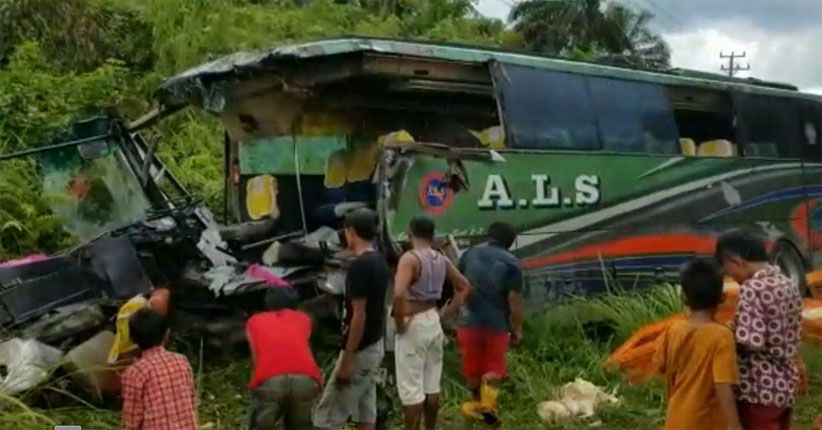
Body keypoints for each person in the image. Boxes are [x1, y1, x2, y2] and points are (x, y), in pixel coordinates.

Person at [716, 230, 802, 430]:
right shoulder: (787, 284)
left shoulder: (753, 288)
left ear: (736, 261)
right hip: (785, 384)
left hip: (759, 388)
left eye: (727, 269)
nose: (729, 275)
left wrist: (726, 335)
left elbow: (750, 343)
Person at [313, 208, 390, 430]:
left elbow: (359, 316)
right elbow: (382, 309)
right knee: (364, 411)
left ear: (351, 232)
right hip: (374, 346)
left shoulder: (360, 266)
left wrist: (347, 361)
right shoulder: (379, 260)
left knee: (327, 417)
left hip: (360, 350)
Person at [392, 216, 471, 430]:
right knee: (431, 385)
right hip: (432, 320)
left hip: (412, 324)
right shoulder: (440, 258)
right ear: (432, 234)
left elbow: (398, 294)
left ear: (410, 233)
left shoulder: (410, 259)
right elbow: (464, 286)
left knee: (411, 390)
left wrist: (399, 323)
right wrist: (446, 313)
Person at [653, 258, 742, 430]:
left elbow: (661, 365)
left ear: (684, 297)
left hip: (675, 418)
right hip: (704, 422)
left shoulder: (674, 330)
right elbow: (722, 385)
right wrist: (734, 425)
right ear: (721, 298)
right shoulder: (721, 336)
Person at [455, 221, 524, 425]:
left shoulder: (469, 254)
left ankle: (476, 409)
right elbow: (514, 299)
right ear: (510, 242)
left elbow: (459, 285)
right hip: (497, 325)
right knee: (494, 367)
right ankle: (487, 406)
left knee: (472, 369)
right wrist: (518, 328)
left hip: (468, 322)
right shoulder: (512, 263)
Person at [246, 287, 322, 430]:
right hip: (305, 380)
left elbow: (256, 359)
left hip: (271, 381)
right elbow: (306, 350)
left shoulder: (254, 321)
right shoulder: (304, 319)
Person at [120, 308, 197, 430]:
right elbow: (191, 402)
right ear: (166, 334)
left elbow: (132, 421)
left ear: (132, 339)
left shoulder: (134, 373)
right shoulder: (181, 361)